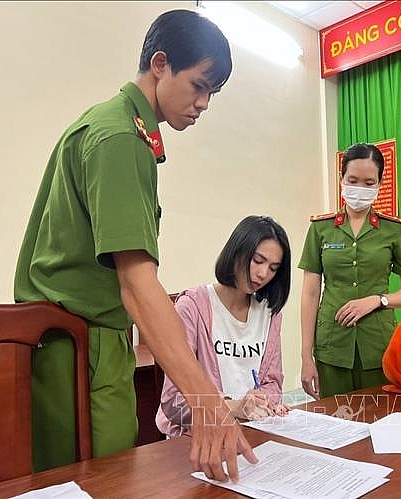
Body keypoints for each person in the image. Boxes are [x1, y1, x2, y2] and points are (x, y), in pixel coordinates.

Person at [13, 9, 255, 482]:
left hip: (84, 340)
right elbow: (137, 284)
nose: (204, 103)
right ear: (160, 64)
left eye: (213, 93)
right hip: (82, 346)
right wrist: (208, 403)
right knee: (98, 480)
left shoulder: (114, 126)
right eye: (199, 85)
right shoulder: (121, 137)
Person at [298, 143, 401, 399]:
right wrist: (305, 356)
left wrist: (378, 300)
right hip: (331, 344)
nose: (360, 189)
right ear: (341, 178)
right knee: (334, 418)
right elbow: (310, 294)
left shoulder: (394, 230)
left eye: (368, 183)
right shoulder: (321, 229)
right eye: (353, 181)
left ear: (379, 184)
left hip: (378, 345)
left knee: (381, 416)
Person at [156, 215, 291, 437]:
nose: (263, 274)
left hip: (250, 432)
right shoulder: (192, 307)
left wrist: (264, 402)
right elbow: (174, 402)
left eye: (273, 268)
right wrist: (235, 407)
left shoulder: (270, 314)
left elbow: (272, 384)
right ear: (237, 252)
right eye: (258, 261)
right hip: (199, 437)